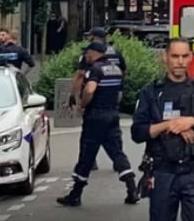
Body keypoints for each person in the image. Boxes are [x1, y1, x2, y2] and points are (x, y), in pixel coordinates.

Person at [131, 37, 194, 221]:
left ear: (191, 57)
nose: (180, 62)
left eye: (184, 56)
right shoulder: (151, 92)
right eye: (175, 56)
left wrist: (192, 122)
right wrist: (170, 125)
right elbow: (138, 133)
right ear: (165, 57)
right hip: (162, 171)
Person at [57, 41, 139, 207]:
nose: (86, 55)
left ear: (94, 52)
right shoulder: (115, 69)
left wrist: (83, 105)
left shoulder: (94, 69)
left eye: (88, 52)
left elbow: (89, 89)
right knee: (117, 152)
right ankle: (132, 188)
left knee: (87, 154)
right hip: (112, 115)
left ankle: (75, 195)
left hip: (95, 116)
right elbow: (119, 91)